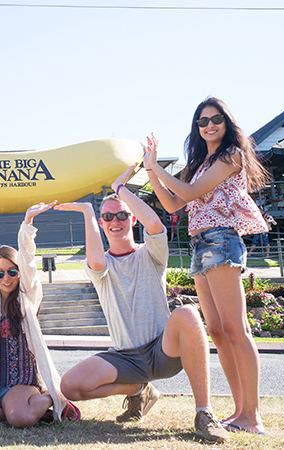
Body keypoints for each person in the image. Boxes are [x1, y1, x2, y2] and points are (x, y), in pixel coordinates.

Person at [55, 166, 229, 444]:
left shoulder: (151, 254)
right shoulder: (102, 266)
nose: (115, 221)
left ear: (132, 218)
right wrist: (88, 212)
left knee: (187, 312)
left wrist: (120, 188)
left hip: (163, 351)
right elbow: (97, 262)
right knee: (69, 386)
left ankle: (204, 413)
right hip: (125, 358)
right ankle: (138, 390)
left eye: (122, 215)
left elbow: (155, 225)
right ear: (101, 223)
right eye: (107, 217)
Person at [143, 97, 270, 435]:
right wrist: (150, 170)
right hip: (199, 246)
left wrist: (157, 168)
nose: (209, 125)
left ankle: (252, 416)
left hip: (221, 240)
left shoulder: (230, 156)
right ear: (197, 128)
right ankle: (239, 410)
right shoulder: (201, 162)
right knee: (216, 331)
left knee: (235, 330)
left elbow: (191, 190)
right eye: (202, 121)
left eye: (215, 119)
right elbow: (172, 202)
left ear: (227, 122)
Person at [0, 202, 81, 427]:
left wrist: (28, 223)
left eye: (12, 272)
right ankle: (10, 411)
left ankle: (52, 399)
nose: (5, 278)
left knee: (20, 419)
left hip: (21, 384)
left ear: (19, 274)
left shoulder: (27, 297)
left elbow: (28, 262)